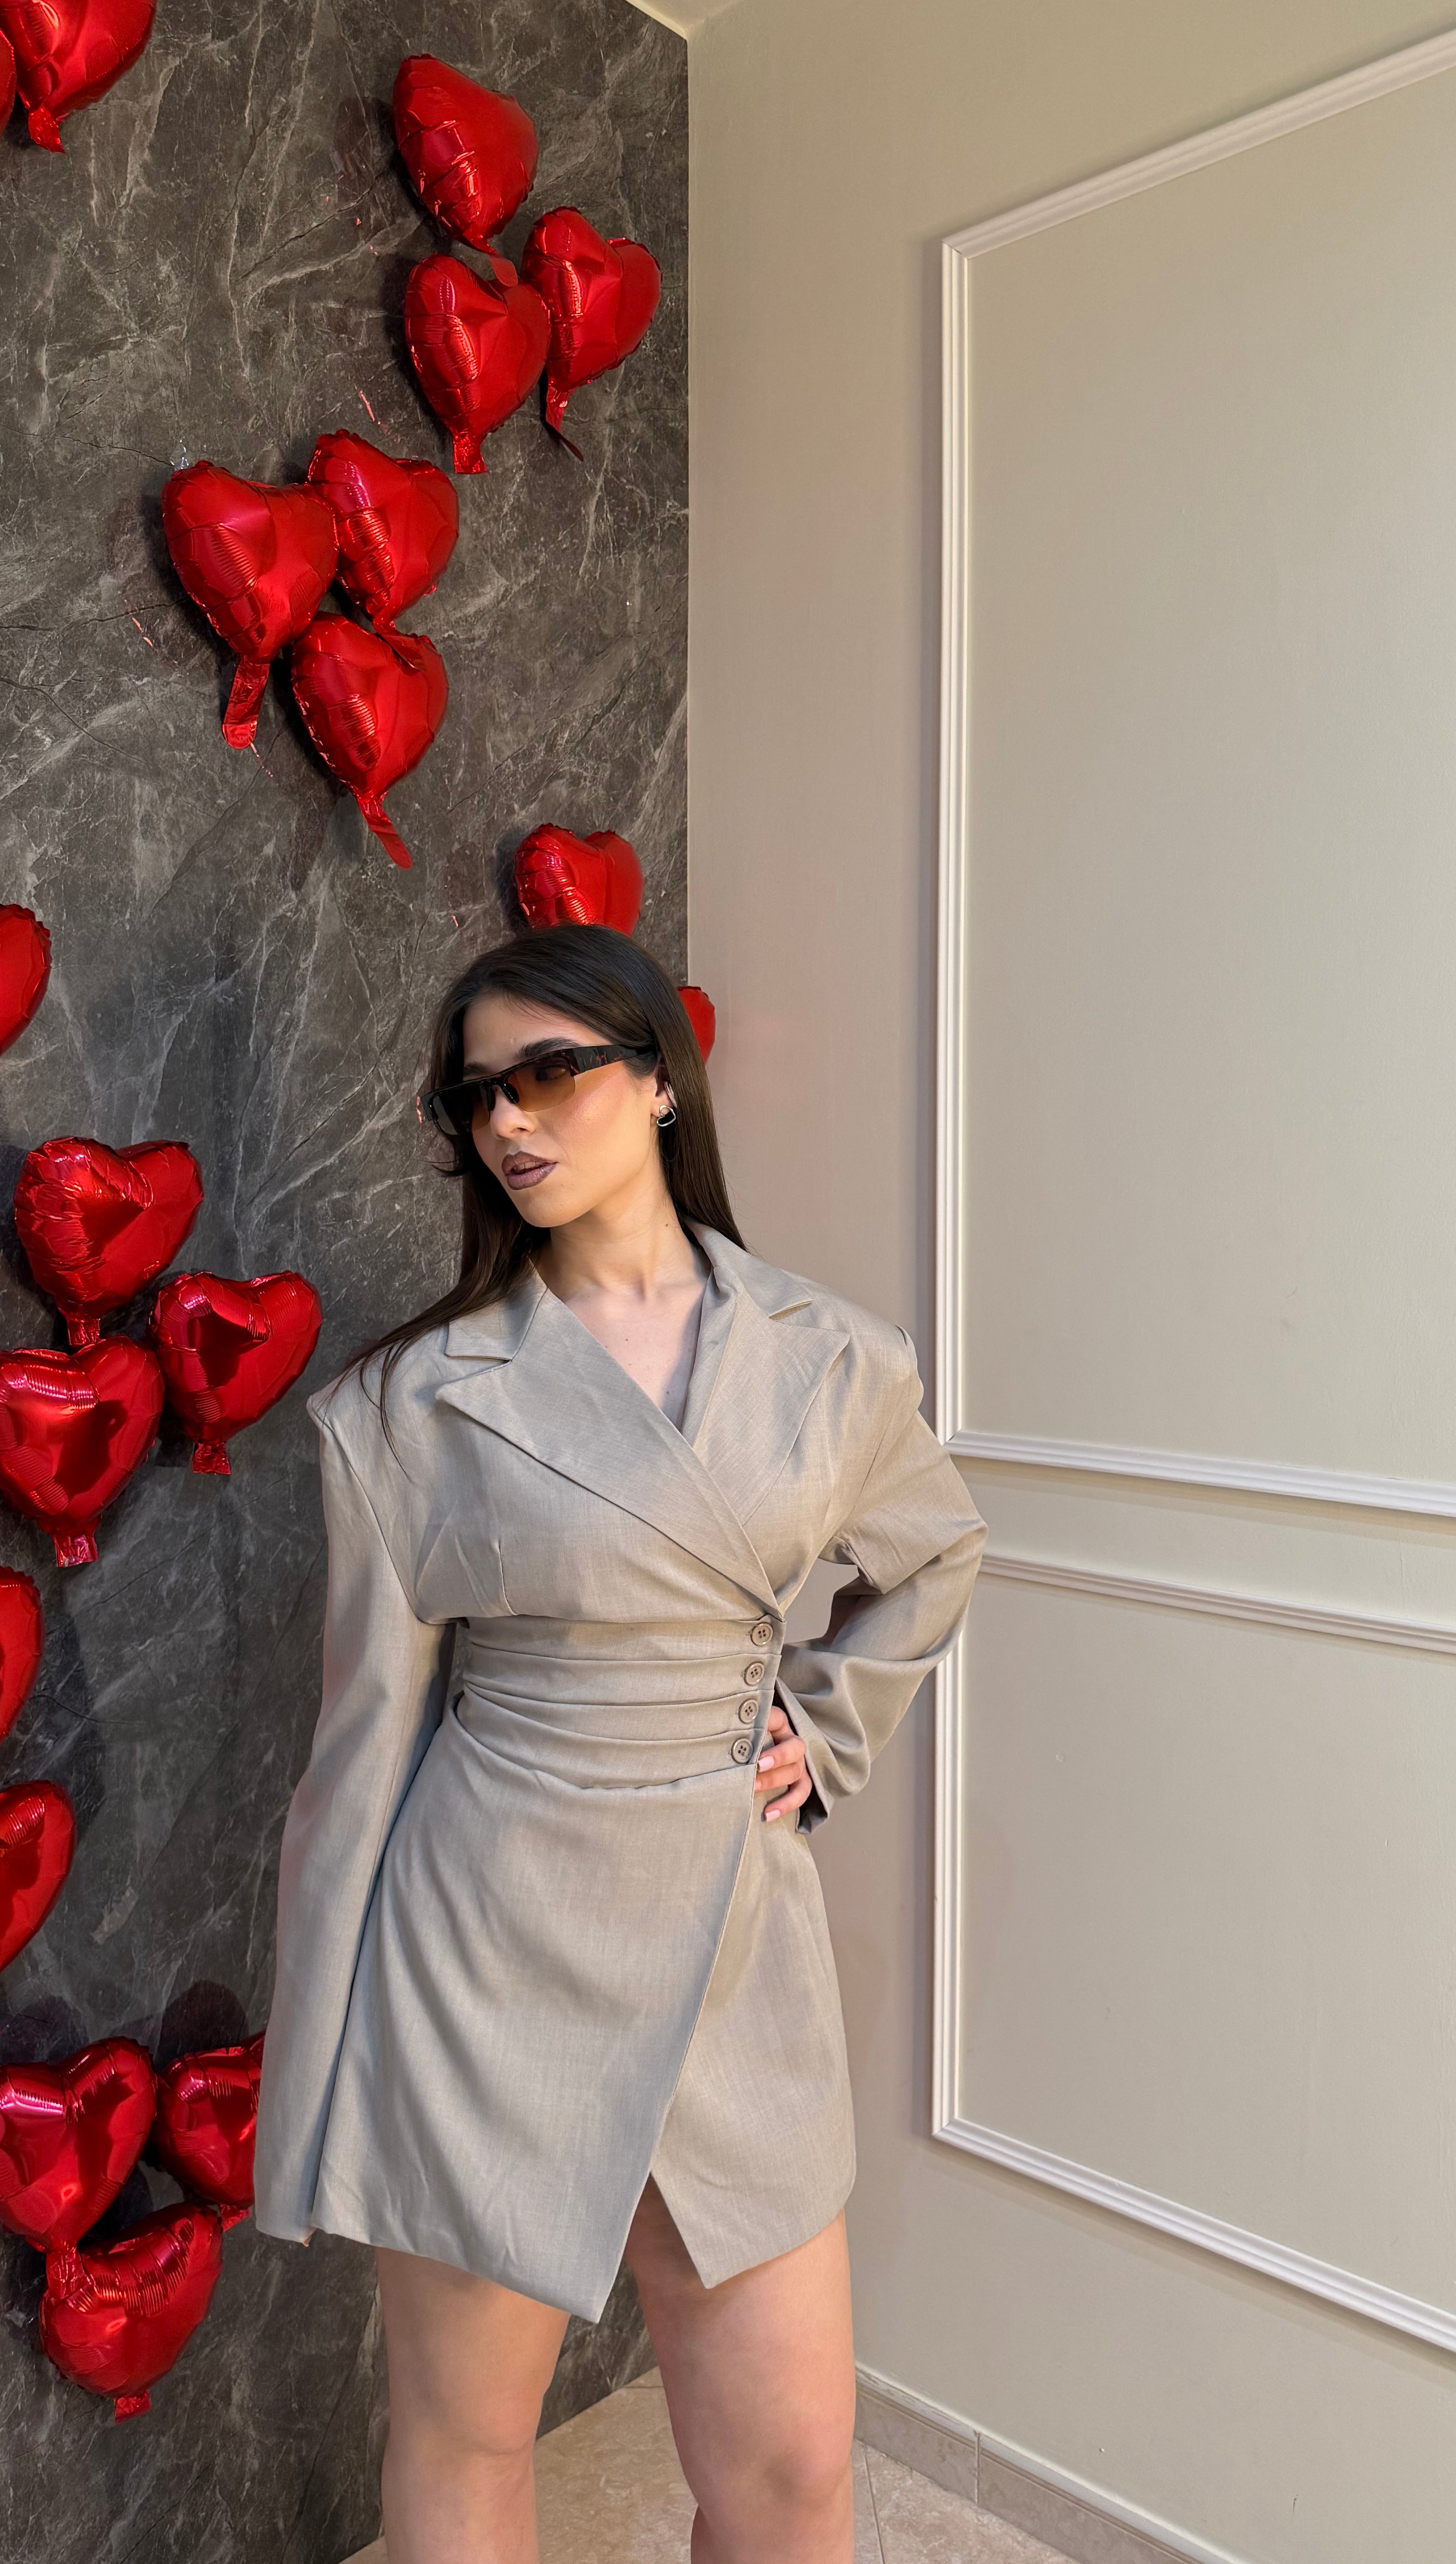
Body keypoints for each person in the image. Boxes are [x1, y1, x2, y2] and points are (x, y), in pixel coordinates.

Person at [252, 924, 985, 2564]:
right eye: (476, 1097)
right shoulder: (408, 1406)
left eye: (549, 1073)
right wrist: (315, 2070)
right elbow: (360, 1749)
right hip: (484, 1950)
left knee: (793, 2467)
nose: (509, 1122)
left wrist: (823, 1726)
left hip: (737, 1936)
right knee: (466, 2443)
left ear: (658, 1080)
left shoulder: (832, 1357)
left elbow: (934, 1552)